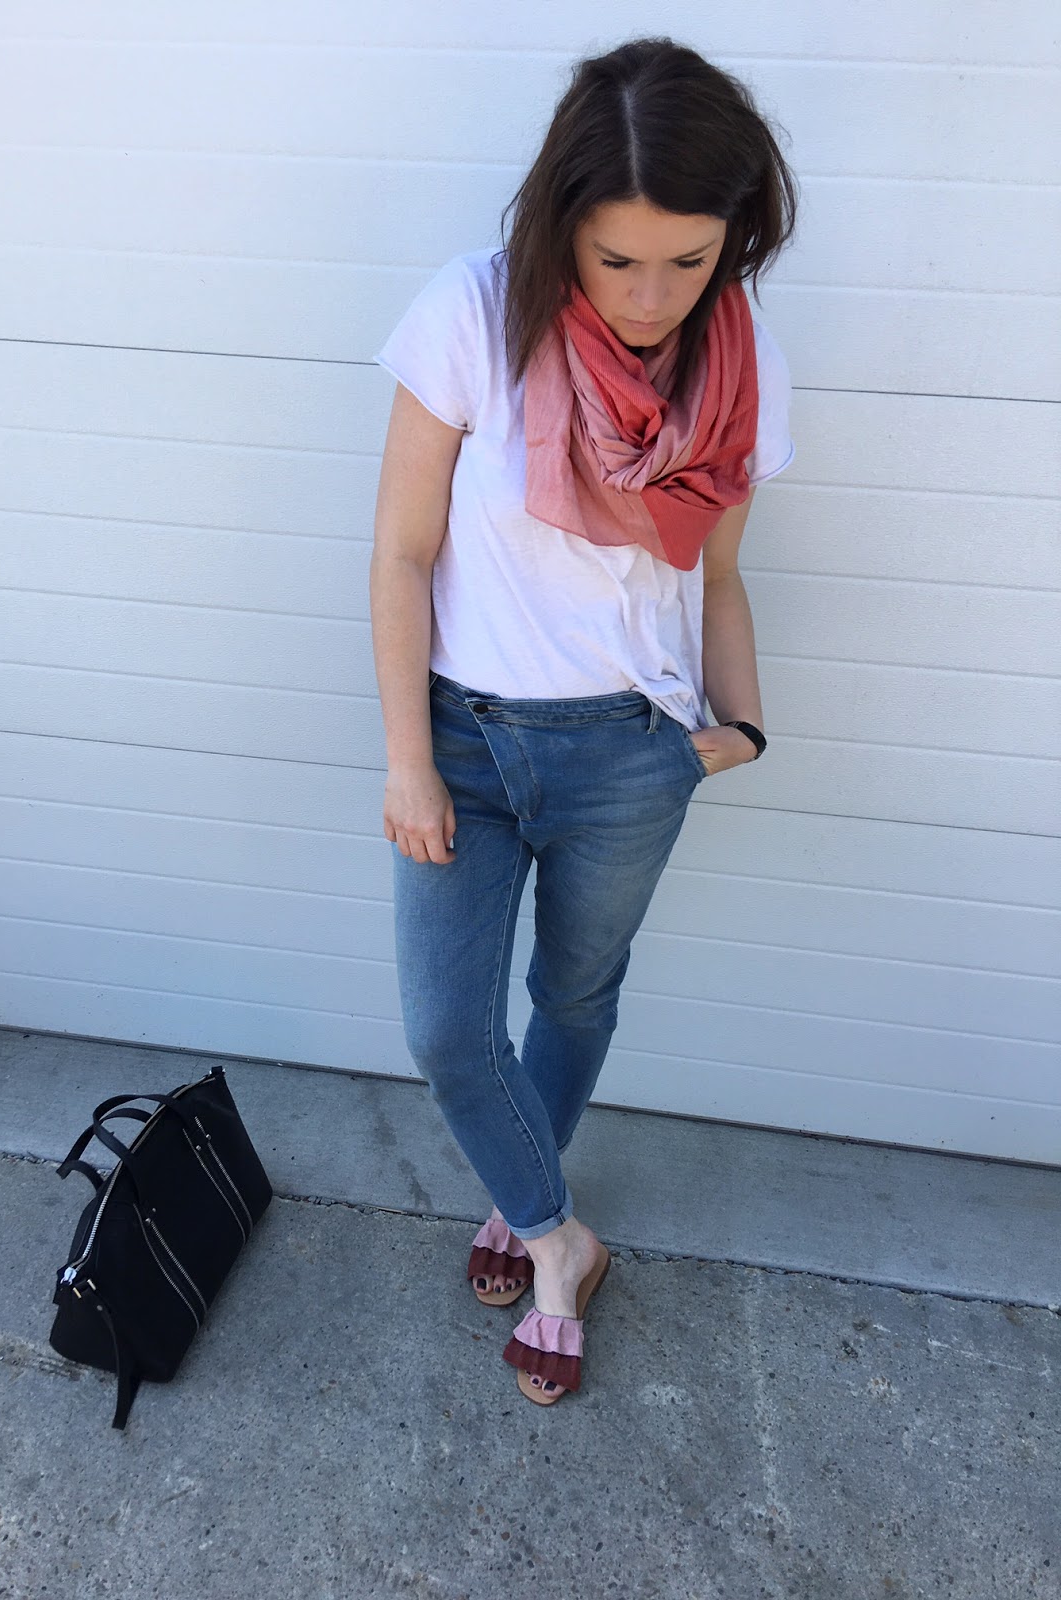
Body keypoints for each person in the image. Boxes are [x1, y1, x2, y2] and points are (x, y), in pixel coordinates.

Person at [369, 36, 797, 1406]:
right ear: (564, 223)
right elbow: (401, 556)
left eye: (690, 260)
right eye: (617, 260)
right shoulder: (471, 315)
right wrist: (407, 760)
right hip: (465, 742)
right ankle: (561, 1238)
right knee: (448, 1029)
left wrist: (741, 727)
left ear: (733, 238)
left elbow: (717, 577)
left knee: (572, 998)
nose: (652, 297)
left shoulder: (738, 366)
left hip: (631, 751)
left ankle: (519, 1208)